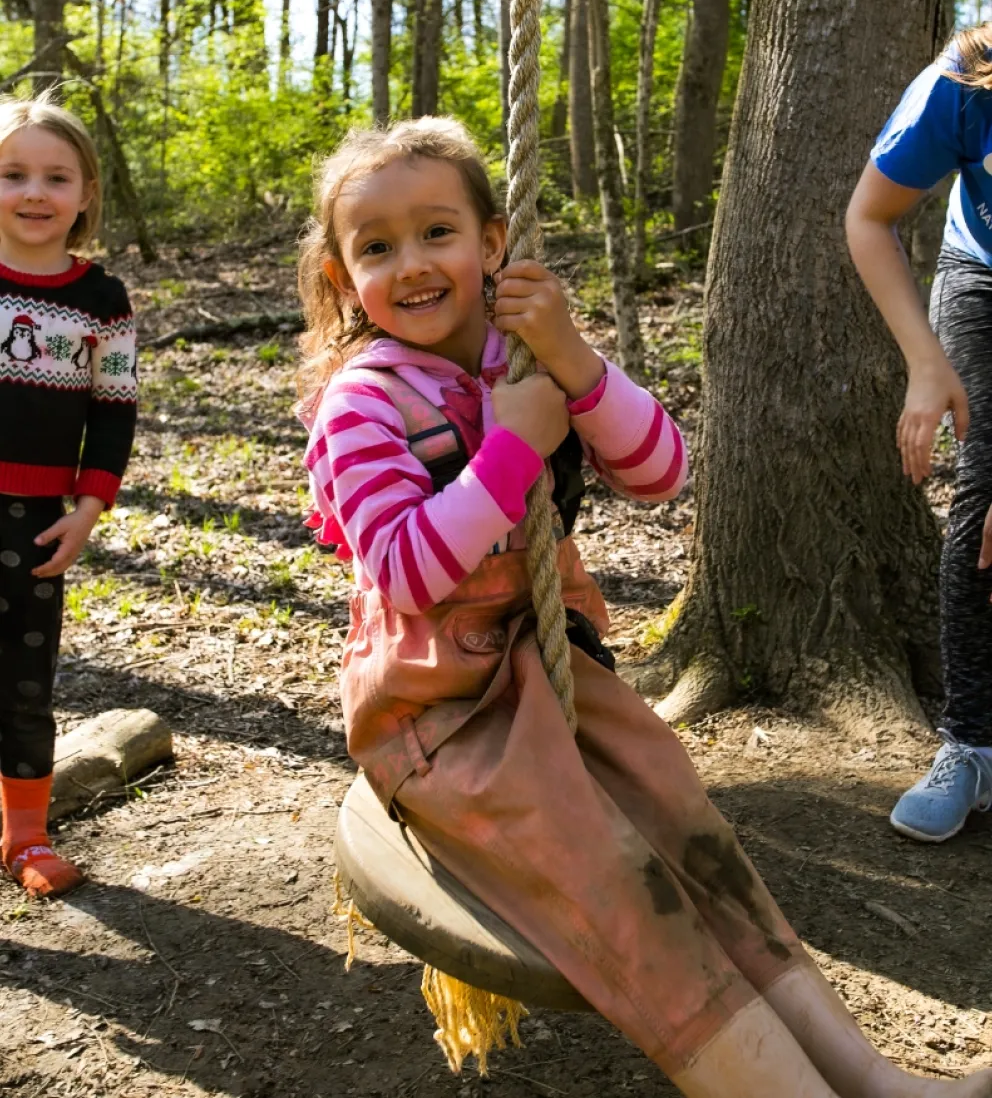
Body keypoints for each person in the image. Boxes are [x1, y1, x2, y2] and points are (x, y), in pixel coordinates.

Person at [300, 116, 991, 1098]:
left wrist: (573, 362)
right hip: (441, 716)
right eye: (376, 247)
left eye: (436, 231)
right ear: (342, 278)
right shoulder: (361, 405)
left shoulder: (527, 355)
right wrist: (511, 448)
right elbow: (409, 573)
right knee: (628, 898)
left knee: (704, 856)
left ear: (491, 241)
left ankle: (878, 1083)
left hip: (548, 678)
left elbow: (660, 472)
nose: (410, 262)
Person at [847, 25, 992, 844]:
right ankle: (971, 744)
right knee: (984, 502)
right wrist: (925, 361)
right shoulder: (966, 78)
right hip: (982, 277)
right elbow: (870, 217)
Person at [0, 94, 137, 896]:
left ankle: (25, 837)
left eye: (56, 177)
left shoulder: (101, 300)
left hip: (38, 524)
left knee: (25, 683)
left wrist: (88, 509)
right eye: (13, 174)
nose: (34, 192)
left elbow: (113, 409)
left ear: (86, 193)